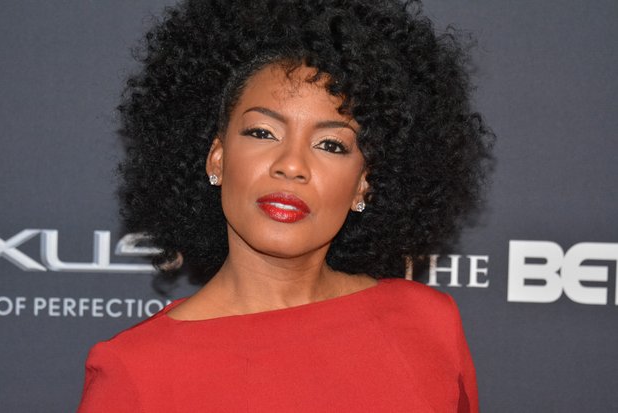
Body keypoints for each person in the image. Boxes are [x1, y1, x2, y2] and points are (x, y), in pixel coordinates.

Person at [78, 0, 493, 411]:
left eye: (330, 145)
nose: (292, 165)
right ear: (217, 159)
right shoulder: (136, 370)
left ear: (362, 185)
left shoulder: (427, 323)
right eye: (263, 133)